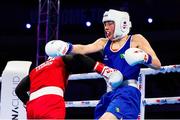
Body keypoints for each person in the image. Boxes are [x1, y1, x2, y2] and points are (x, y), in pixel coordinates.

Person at [45, 9, 161, 119]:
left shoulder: (136, 40)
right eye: (105, 24)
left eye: (110, 23)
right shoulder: (103, 42)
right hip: (109, 94)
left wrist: (144, 57)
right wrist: (66, 46)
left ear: (122, 24)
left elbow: (157, 64)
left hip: (128, 92)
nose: (106, 27)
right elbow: (83, 49)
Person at [15, 54, 123, 119]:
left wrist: (28, 103)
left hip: (32, 107)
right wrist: (103, 70)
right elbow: (78, 57)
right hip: (50, 102)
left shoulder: (35, 70)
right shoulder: (59, 60)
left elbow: (18, 90)